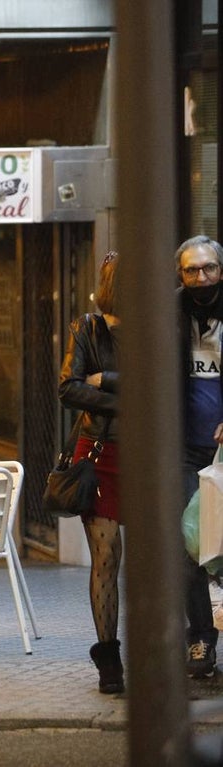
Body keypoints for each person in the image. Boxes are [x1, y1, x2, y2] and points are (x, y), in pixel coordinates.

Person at [59, 251, 122, 694]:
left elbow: (165, 377)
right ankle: (109, 660)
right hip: (100, 451)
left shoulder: (162, 322)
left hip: (150, 456)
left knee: (157, 560)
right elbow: (69, 387)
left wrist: (106, 379)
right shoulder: (87, 326)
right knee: (106, 558)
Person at [176, 235, 223, 679]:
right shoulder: (171, 315)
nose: (201, 277)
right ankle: (200, 639)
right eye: (191, 270)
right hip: (185, 450)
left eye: (208, 268)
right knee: (190, 543)